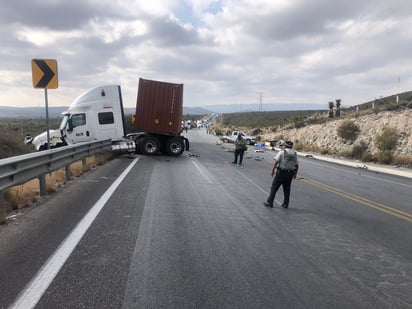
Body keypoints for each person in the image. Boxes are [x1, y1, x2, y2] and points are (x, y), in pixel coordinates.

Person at [263, 140, 298, 208]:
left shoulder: (282, 152)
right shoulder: (294, 154)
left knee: (274, 188)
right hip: (290, 173)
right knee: (287, 189)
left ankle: (269, 202)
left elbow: (276, 162)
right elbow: (296, 165)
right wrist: (295, 174)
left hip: (281, 173)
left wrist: (273, 170)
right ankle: (285, 204)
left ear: (285, 146)